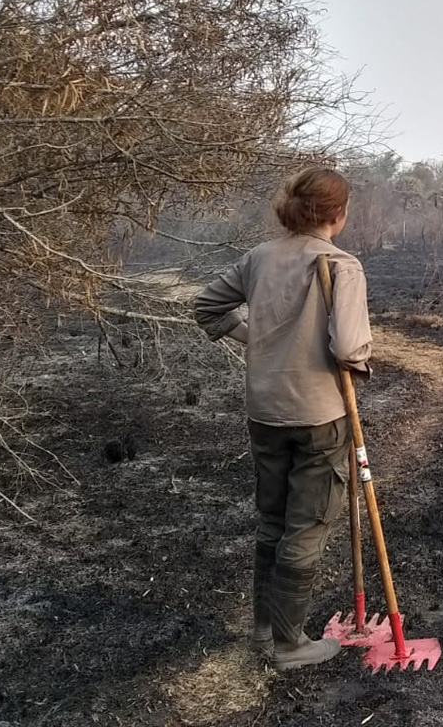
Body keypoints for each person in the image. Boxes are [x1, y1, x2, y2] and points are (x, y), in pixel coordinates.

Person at [193, 168, 372, 670]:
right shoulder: (342, 265)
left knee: (272, 521)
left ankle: (263, 629)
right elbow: (350, 346)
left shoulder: (259, 258)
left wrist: (258, 339)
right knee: (307, 527)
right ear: (337, 213)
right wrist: (355, 361)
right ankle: (290, 644)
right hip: (320, 416)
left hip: (265, 411)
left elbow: (208, 307)